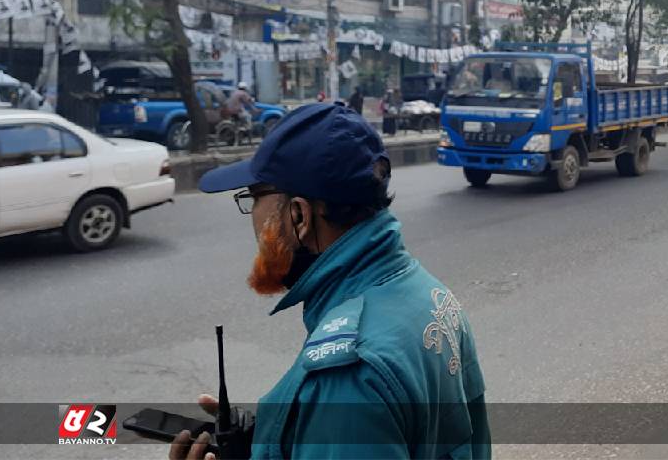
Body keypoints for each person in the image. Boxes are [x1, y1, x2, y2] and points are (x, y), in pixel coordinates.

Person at [173, 103, 490, 460]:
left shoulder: (346, 377)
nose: (253, 223)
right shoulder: (427, 292)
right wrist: (279, 434)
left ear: (299, 216)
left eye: (253, 198)